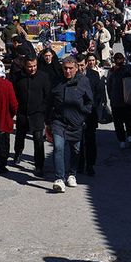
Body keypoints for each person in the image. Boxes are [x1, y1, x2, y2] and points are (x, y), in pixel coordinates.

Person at [48, 56, 93, 192]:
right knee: (58, 147)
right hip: (58, 121)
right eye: (65, 68)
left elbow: (89, 102)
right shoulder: (56, 81)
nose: (67, 71)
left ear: (76, 68)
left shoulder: (83, 81)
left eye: (70, 69)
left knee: (76, 150)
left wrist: (82, 116)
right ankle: (59, 178)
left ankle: (72, 174)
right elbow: (49, 102)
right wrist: (48, 122)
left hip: (75, 122)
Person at [12, 55, 52, 176]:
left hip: (37, 113)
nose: (32, 69)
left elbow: (48, 95)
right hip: (22, 112)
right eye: (29, 66)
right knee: (20, 136)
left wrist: (44, 110)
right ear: (25, 65)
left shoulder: (43, 77)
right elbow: (13, 94)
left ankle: (39, 165)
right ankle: (18, 153)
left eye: (34, 66)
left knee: (38, 139)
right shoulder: (17, 77)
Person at [81, 53, 106, 176]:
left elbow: (99, 93)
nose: (80, 67)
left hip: (91, 113)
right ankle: (79, 164)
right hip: (77, 114)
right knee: (78, 140)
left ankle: (90, 164)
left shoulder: (95, 75)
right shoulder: (73, 75)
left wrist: (92, 106)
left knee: (90, 139)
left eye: (82, 65)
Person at [107, 53, 131, 149]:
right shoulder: (130, 69)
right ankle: (130, 137)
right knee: (129, 119)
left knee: (118, 122)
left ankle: (122, 141)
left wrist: (110, 97)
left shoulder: (111, 72)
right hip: (129, 99)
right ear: (123, 59)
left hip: (116, 101)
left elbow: (109, 86)